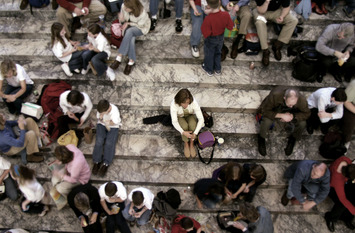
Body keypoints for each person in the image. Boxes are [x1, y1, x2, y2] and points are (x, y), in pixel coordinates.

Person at [257, 86, 310, 156]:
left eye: (293, 104)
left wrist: (293, 116)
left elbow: (307, 113)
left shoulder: (301, 100)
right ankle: (261, 138)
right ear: (284, 98)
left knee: (302, 124)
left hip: (291, 113)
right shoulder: (275, 95)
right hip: (275, 111)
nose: (291, 106)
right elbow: (265, 111)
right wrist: (281, 115)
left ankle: (292, 139)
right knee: (266, 122)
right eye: (290, 104)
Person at [110, 0, 151, 76]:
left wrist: (128, 23)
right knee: (131, 37)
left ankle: (119, 56)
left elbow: (140, 25)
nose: (125, 9)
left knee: (130, 31)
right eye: (125, 7)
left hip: (141, 28)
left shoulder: (142, 13)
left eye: (127, 8)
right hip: (128, 27)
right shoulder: (123, 6)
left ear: (133, 8)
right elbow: (122, 21)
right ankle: (131, 61)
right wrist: (121, 20)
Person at [253, 0, 298, 66]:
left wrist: (282, 16)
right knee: (259, 23)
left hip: (276, 11)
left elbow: (286, 7)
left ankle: (277, 45)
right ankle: (265, 50)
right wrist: (267, 2)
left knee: (293, 20)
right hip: (261, 11)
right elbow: (261, 11)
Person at [201, 0, 234, 76]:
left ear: (208, 5)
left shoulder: (208, 18)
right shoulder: (225, 14)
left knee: (209, 53)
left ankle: (209, 69)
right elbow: (230, 26)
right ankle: (218, 69)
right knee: (218, 52)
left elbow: (205, 32)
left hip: (211, 38)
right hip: (221, 37)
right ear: (219, 2)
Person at [170, 89, 204, 158]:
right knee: (184, 126)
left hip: (190, 115)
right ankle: (186, 143)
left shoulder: (193, 102)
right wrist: (182, 132)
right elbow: (174, 121)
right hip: (180, 117)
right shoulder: (174, 104)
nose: (186, 105)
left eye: (188, 102)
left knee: (193, 125)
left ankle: (191, 143)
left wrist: (195, 133)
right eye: (184, 103)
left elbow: (201, 119)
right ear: (179, 101)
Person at [324, 156, 355, 232]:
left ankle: (346, 218)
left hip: (345, 183)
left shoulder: (347, 161)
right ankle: (330, 218)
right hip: (331, 188)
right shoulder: (337, 180)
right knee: (343, 203)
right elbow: (343, 199)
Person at [92, 99, 122, 177]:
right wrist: (101, 117)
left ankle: (106, 163)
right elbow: (99, 119)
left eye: (102, 112)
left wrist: (107, 121)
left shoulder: (114, 110)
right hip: (101, 125)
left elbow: (115, 122)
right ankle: (97, 161)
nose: (100, 113)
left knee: (109, 143)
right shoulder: (101, 109)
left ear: (108, 109)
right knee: (99, 141)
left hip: (113, 126)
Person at [342, 80, 355, 150]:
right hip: (352, 106)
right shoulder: (354, 85)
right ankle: (346, 141)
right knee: (350, 124)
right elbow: (346, 102)